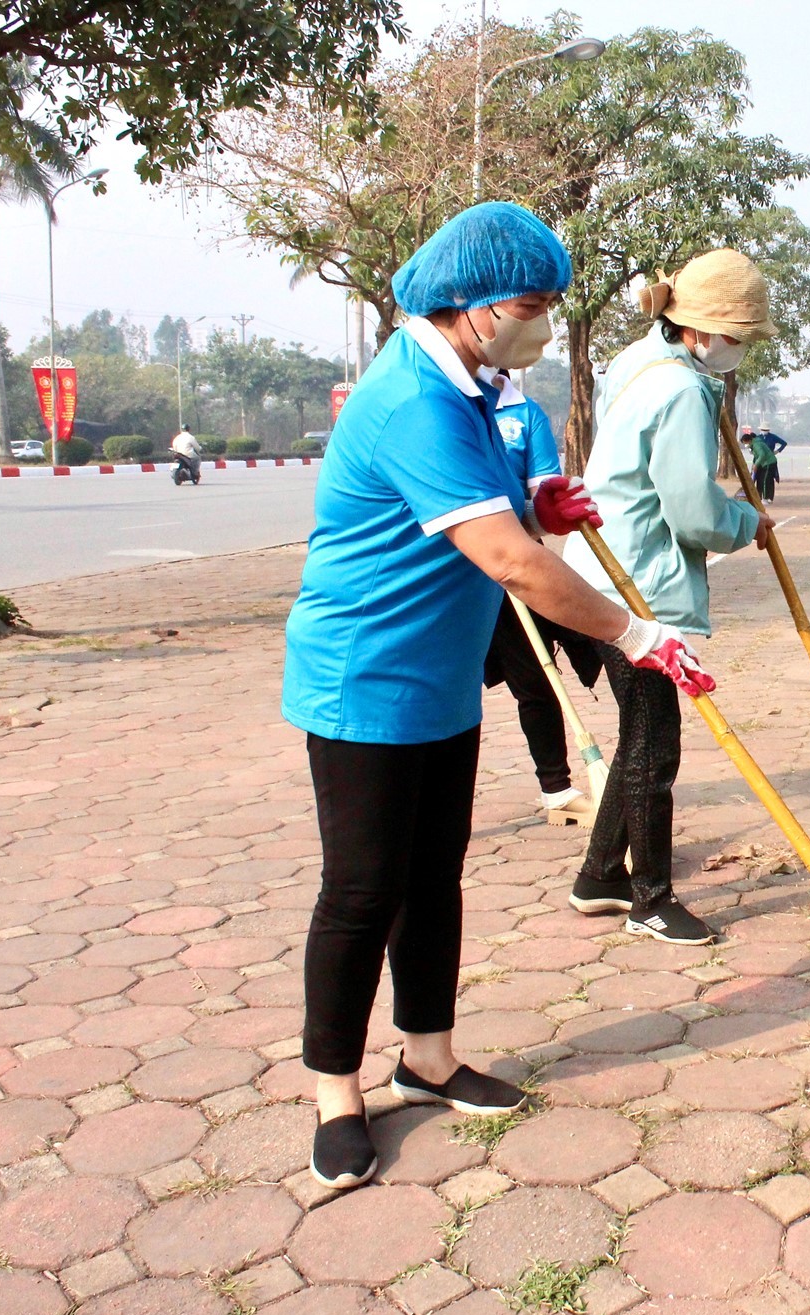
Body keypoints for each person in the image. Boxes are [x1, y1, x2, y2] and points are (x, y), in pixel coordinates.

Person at [282, 202, 714, 1191]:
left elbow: (500, 520)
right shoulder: (410, 401)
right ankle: (335, 1091)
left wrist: (538, 503)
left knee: (434, 874)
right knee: (360, 890)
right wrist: (638, 634)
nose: (541, 323)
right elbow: (512, 564)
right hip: (364, 679)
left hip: (438, 673)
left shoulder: (470, 384)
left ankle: (425, 1056)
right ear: (467, 304)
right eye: (528, 304)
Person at [562, 248, 777, 946]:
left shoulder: (642, 359)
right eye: (740, 335)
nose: (740, 348)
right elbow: (694, 514)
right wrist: (748, 521)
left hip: (600, 574)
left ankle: (600, 873)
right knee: (655, 747)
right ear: (706, 330)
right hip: (635, 593)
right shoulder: (683, 390)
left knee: (637, 736)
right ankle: (651, 898)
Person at [478, 363, 602, 827]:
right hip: (451, 572)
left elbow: (540, 495)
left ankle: (558, 790)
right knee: (443, 683)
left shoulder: (524, 414)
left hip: (511, 565)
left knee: (535, 678)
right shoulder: (443, 401)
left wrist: (543, 516)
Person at [747, 427, 780, 502]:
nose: (764, 431)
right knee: (759, 480)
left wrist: (778, 451)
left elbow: (762, 455)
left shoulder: (760, 442)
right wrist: (754, 465)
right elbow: (756, 456)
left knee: (766, 480)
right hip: (761, 464)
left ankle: (766, 498)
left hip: (768, 463)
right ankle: (759, 497)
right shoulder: (758, 438)